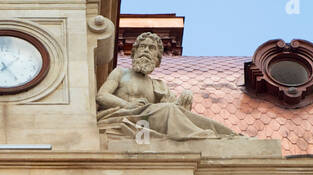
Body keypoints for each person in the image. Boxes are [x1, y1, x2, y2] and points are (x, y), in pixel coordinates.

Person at [96, 31, 237, 140]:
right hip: (122, 115)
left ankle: (222, 133)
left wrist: (184, 102)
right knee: (167, 110)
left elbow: (178, 111)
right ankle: (199, 135)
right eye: (142, 47)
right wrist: (127, 105)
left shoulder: (158, 85)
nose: (145, 50)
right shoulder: (120, 72)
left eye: (151, 48)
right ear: (134, 53)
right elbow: (102, 96)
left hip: (147, 118)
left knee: (172, 111)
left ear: (157, 60)